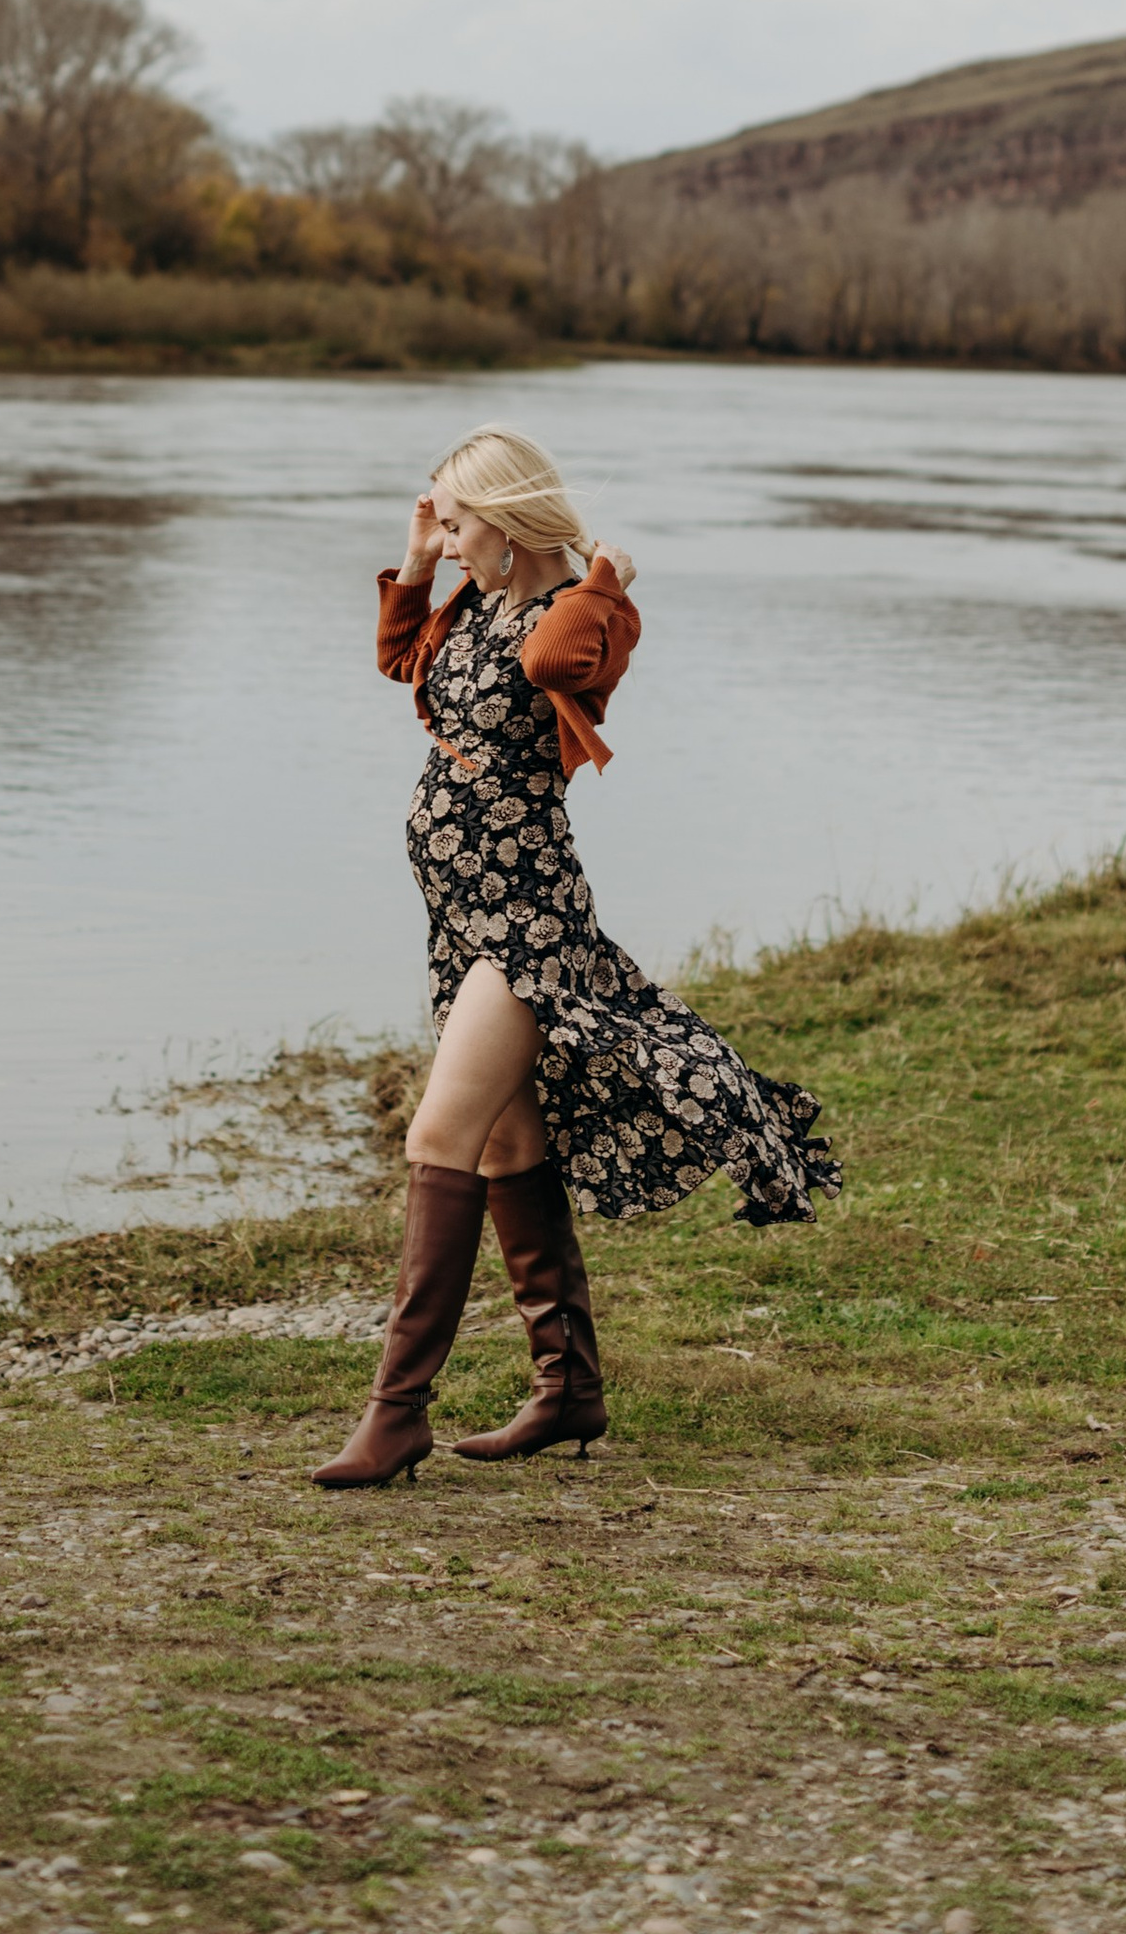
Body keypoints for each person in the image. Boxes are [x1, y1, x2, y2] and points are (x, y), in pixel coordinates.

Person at [313, 423, 839, 1489]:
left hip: (525, 922)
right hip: (460, 916)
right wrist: (417, 562)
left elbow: (550, 664)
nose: (448, 539)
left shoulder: (581, 615)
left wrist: (598, 574)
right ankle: (568, 1390)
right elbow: (398, 658)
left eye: (459, 522)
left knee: (440, 1133)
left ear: (508, 522)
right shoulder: (477, 599)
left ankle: (395, 1414)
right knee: (509, 1144)